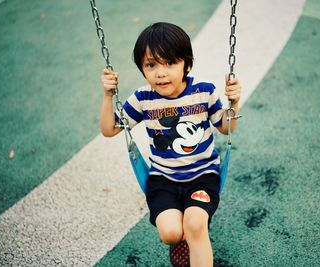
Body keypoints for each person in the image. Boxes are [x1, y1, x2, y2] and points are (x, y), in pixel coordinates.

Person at [99, 22, 241, 267]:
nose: (161, 73)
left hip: (202, 175)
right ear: (142, 69)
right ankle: (187, 238)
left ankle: (195, 233)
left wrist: (234, 102)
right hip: (163, 180)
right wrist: (108, 96)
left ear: (186, 64)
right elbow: (109, 129)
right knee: (170, 233)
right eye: (151, 65)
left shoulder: (204, 92)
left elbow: (226, 128)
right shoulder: (143, 99)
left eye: (170, 63)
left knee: (195, 223)